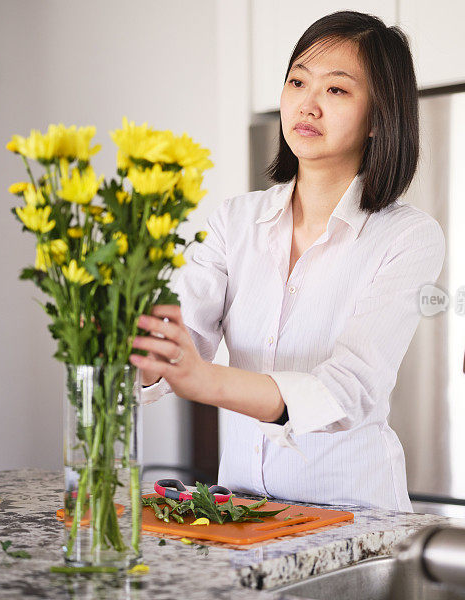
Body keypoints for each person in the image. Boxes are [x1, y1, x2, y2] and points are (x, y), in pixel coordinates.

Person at [129, 11, 445, 510]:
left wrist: (206, 378)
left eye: (336, 90)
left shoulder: (408, 236)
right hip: (242, 513)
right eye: (297, 81)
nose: (307, 104)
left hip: (354, 520)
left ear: (378, 117)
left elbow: (349, 390)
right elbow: (180, 347)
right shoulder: (236, 221)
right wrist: (137, 347)